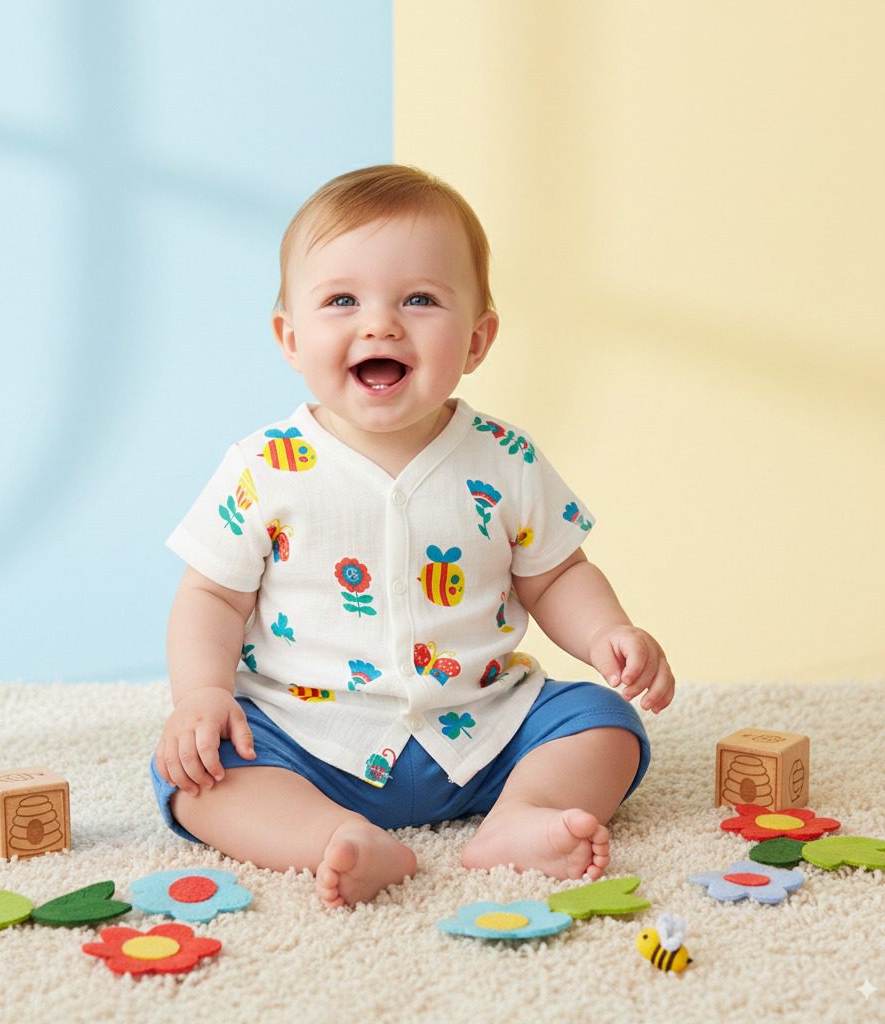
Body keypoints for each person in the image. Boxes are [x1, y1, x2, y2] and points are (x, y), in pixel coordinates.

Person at [152, 164, 675, 908]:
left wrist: (608, 634)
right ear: (290, 338)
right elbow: (209, 593)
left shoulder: (506, 459)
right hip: (308, 738)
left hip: (484, 727)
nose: (380, 325)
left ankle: (518, 817)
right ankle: (331, 837)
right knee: (197, 776)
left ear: (477, 339)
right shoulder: (264, 469)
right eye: (342, 301)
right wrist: (200, 695)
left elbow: (556, 575)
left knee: (604, 724)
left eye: (420, 300)